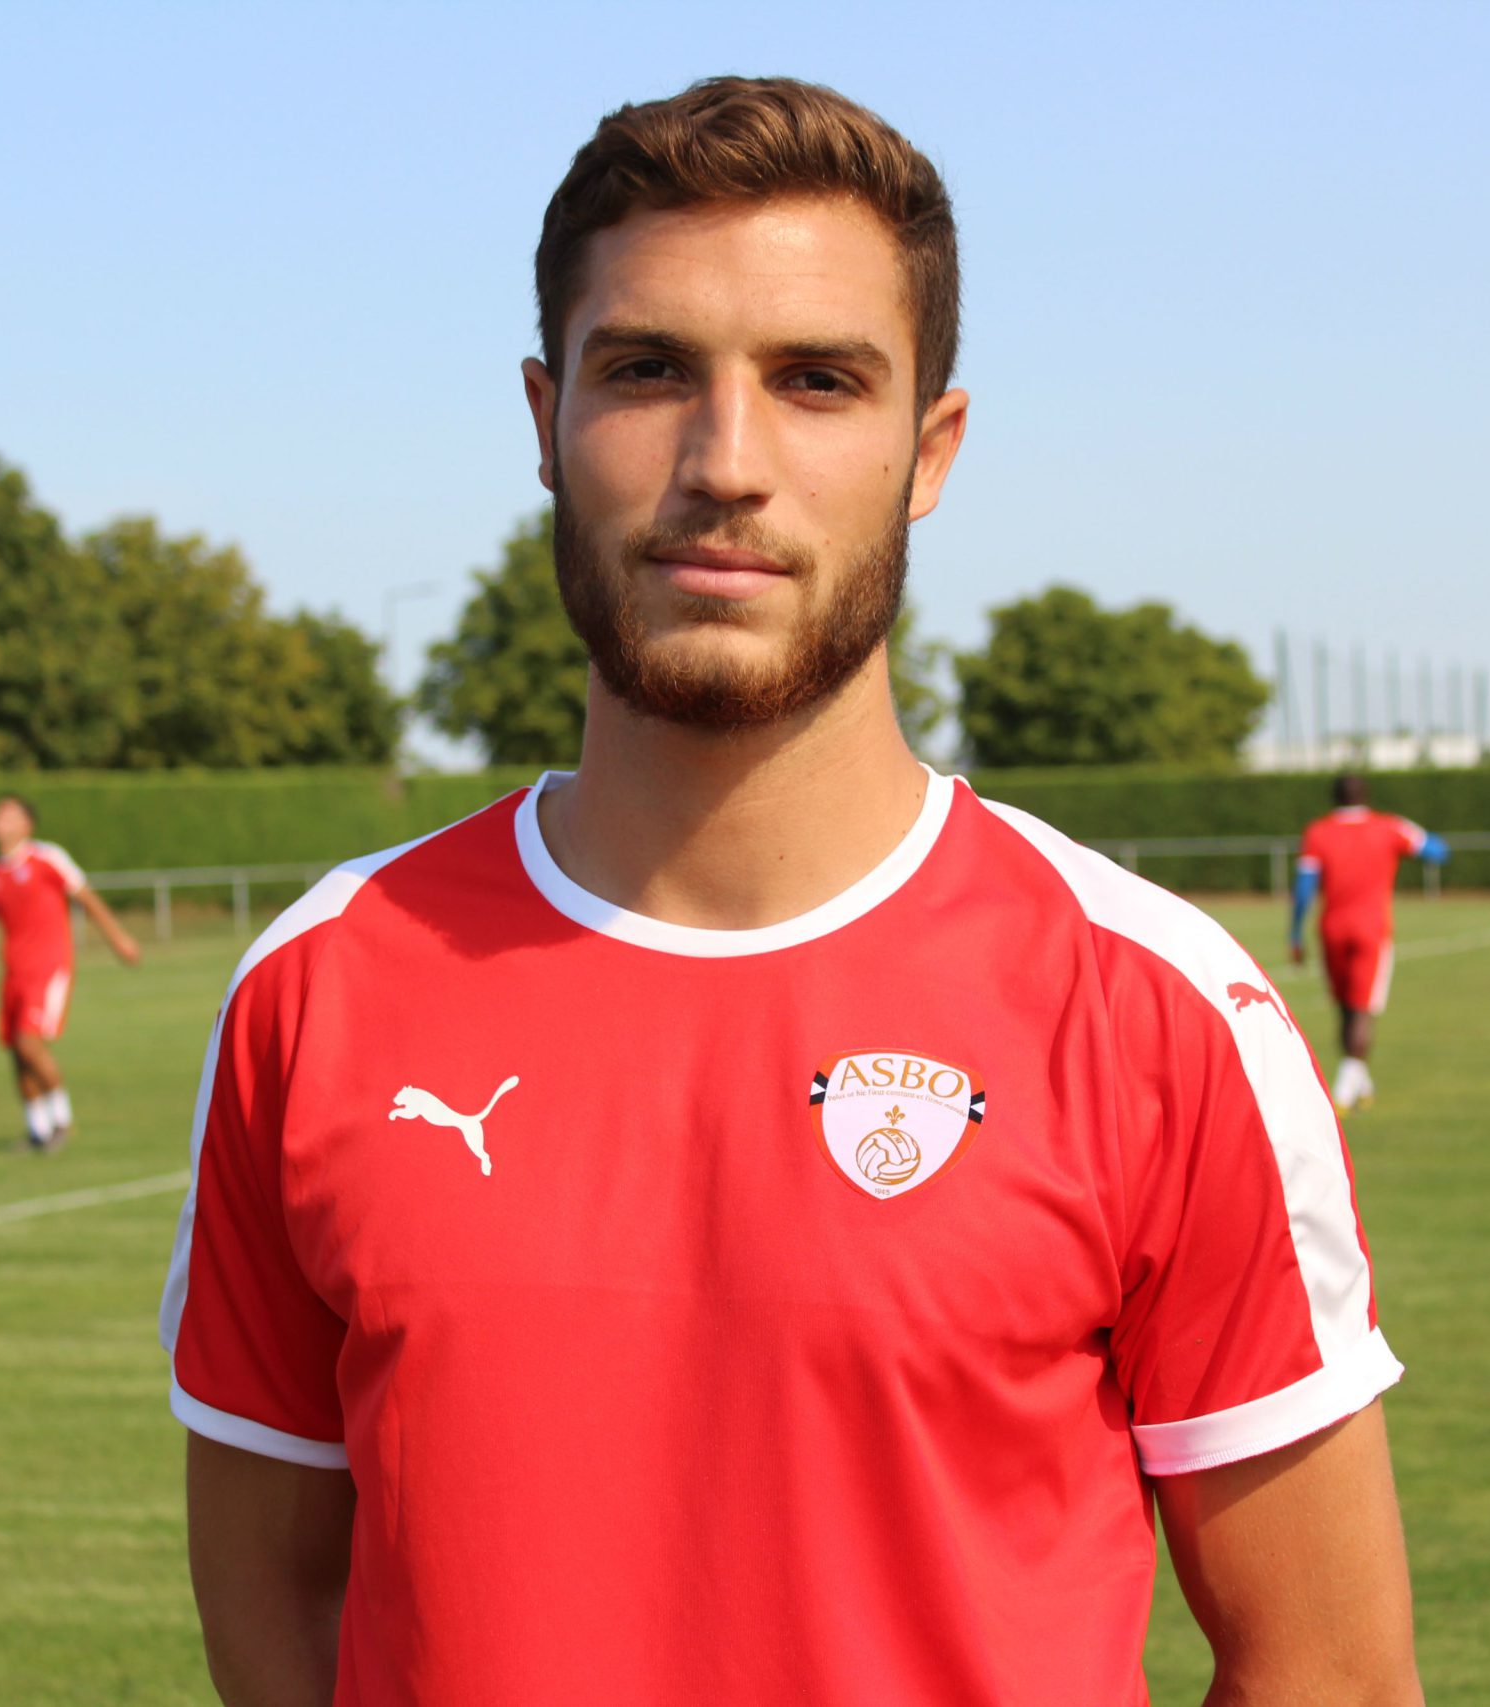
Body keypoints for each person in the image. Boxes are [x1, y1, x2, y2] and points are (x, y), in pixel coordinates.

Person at [163, 77, 1422, 1707]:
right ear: (545, 419)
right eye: (646, 370)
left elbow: (1329, 1670)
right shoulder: (320, 987)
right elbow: (275, 1598)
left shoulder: (1160, 1013)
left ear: (930, 450)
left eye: (818, 380)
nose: (727, 461)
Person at [0, 794, 139, 1151]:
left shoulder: (47, 858)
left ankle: (61, 1122)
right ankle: (37, 1132)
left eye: (7, 814)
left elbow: (86, 898)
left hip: (49, 967)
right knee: (16, 1053)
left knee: (28, 1042)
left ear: (26, 824)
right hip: (14, 972)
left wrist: (118, 939)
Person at [1291, 775, 1449, 1113]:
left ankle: (1360, 1083)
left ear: (1334, 797)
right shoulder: (1388, 827)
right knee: (1361, 1008)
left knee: (1345, 1007)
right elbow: (1438, 851)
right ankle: (1344, 1090)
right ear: (1366, 795)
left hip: (1332, 929)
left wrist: (1295, 933)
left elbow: (1304, 888)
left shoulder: (1318, 832)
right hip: (1372, 930)